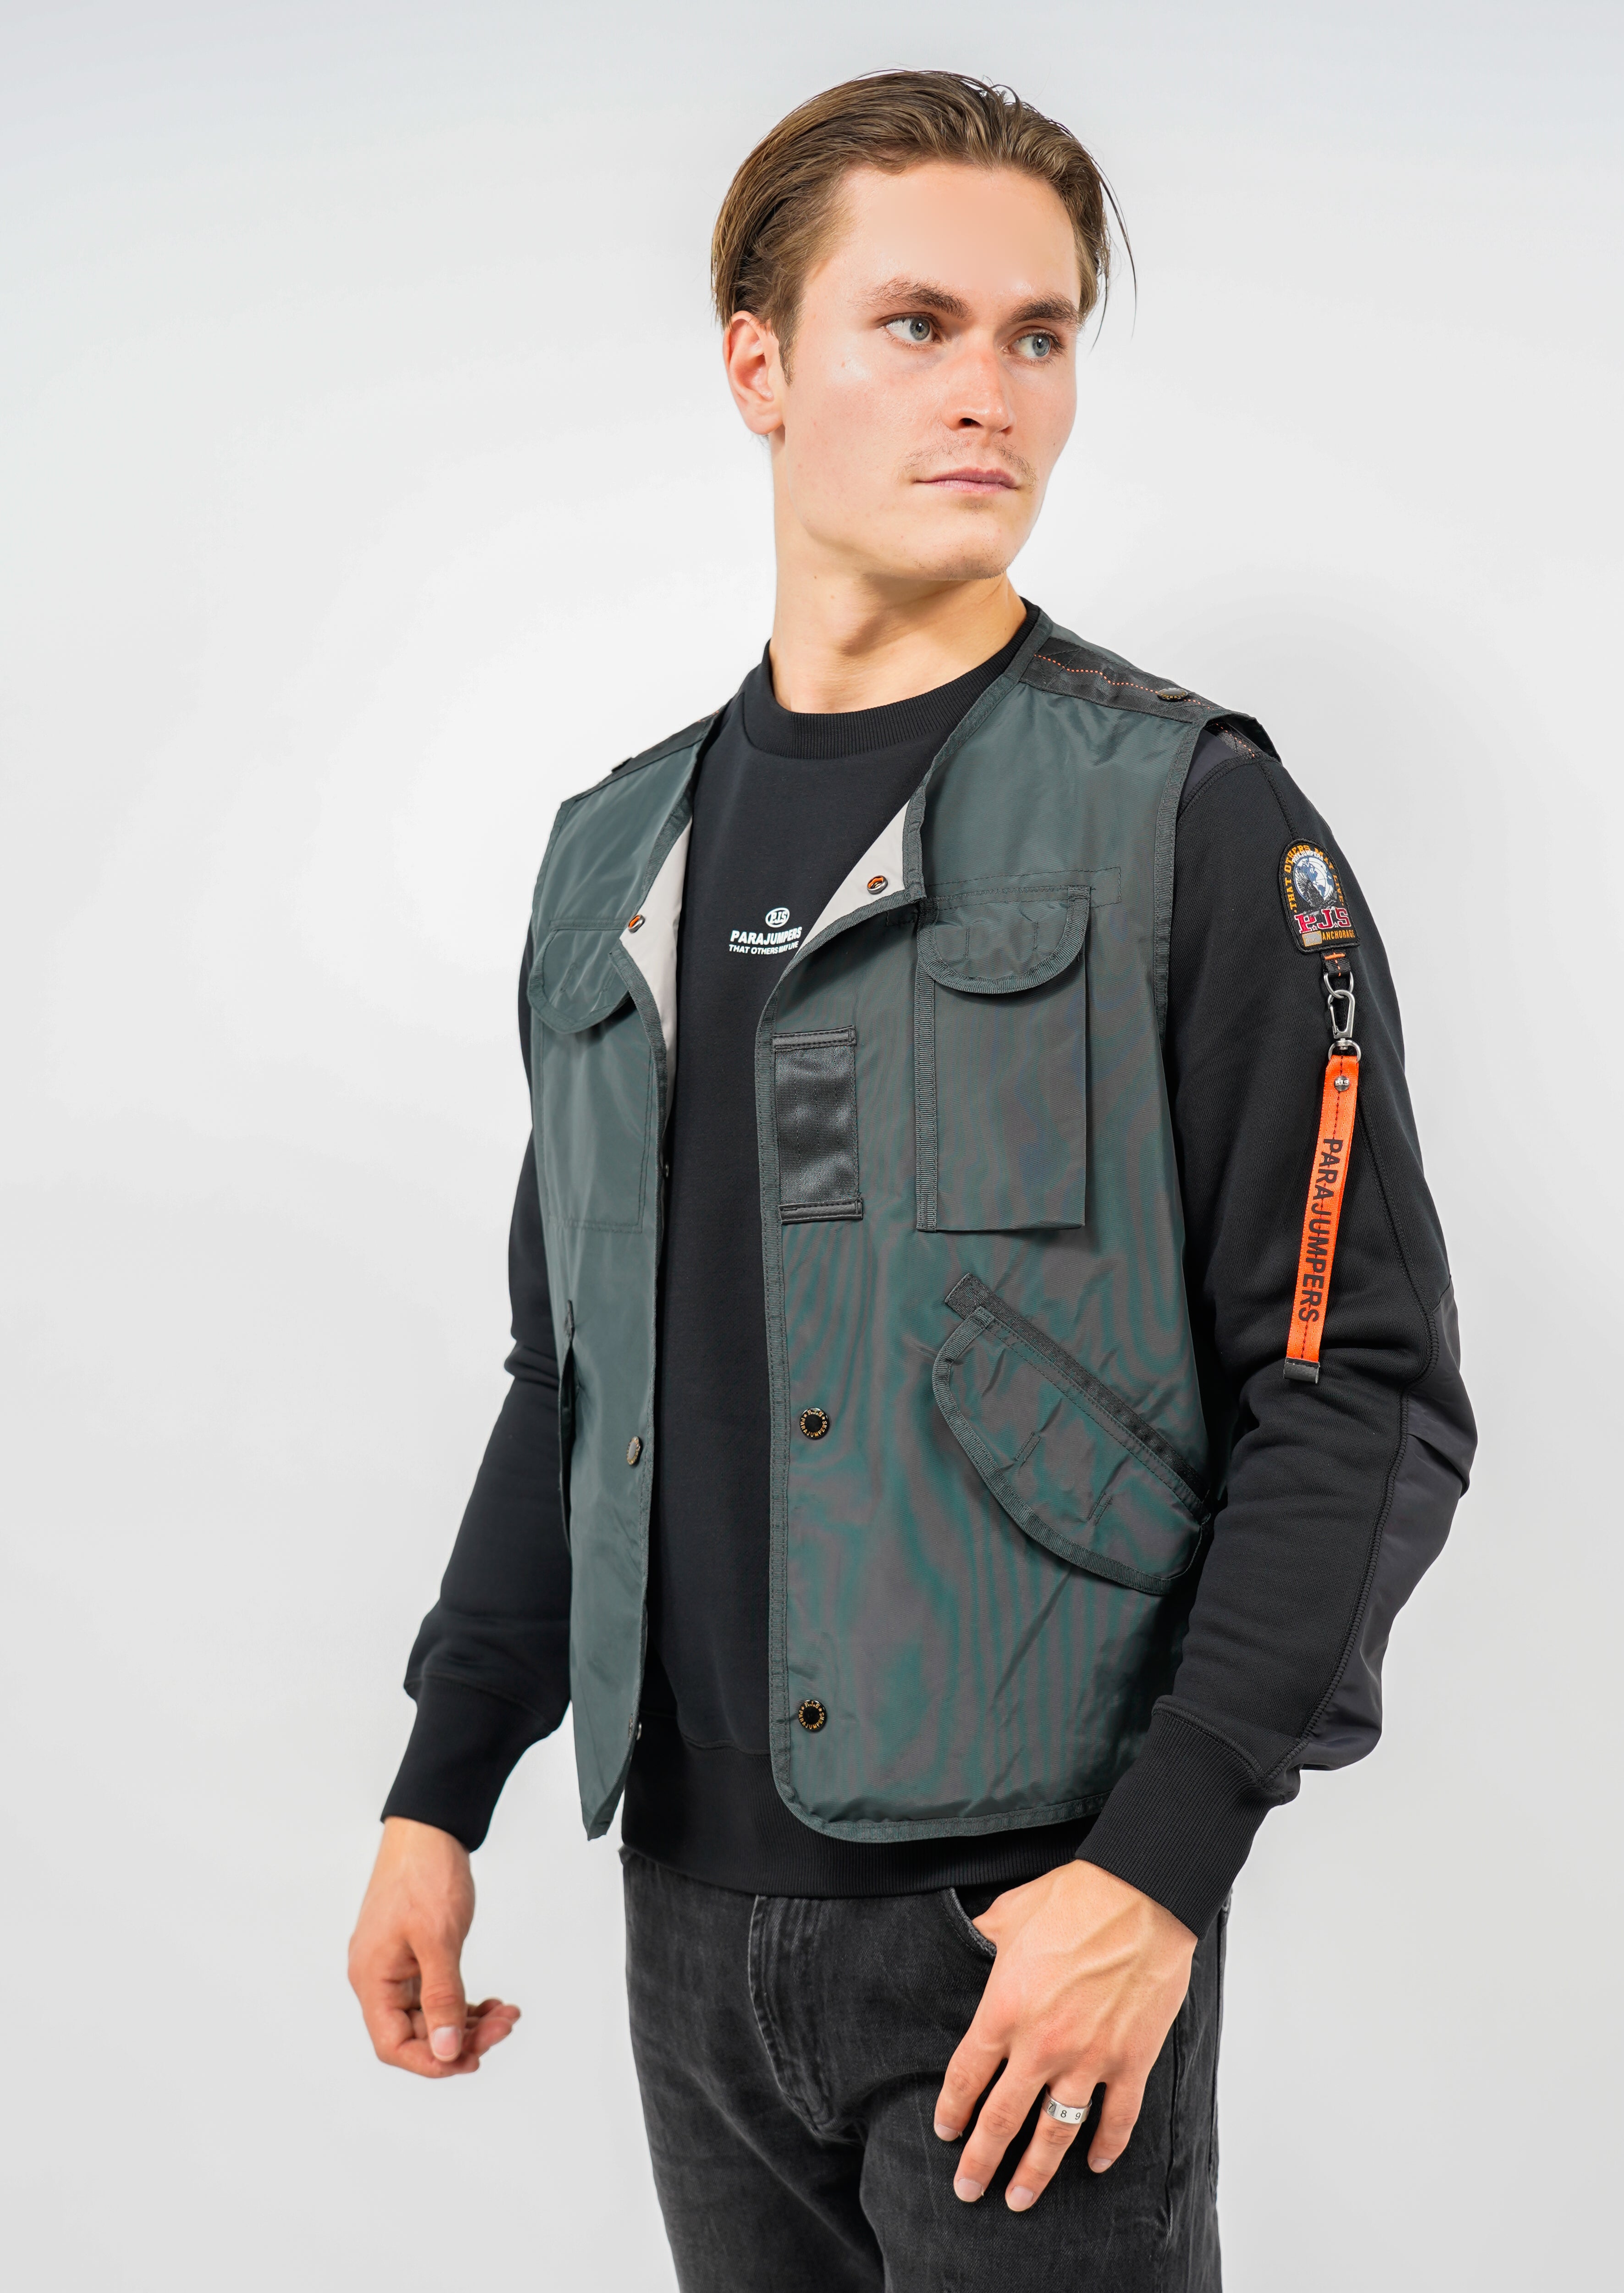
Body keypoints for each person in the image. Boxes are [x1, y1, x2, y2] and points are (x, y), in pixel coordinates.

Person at [348, 70, 1476, 2291]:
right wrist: (437, 1781)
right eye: (919, 324)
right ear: (757, 364)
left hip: (1021, 1928)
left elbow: (1356, 1386)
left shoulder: (1190, 816)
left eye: (1039, 334)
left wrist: (1153, 1871)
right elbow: (570, 1367)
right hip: (683, 1911)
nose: (992, 392)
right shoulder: (612, 857)